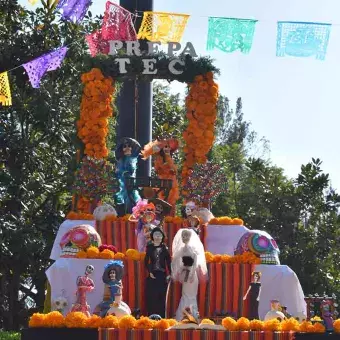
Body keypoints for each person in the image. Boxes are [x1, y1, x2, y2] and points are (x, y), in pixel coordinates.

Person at [171, 228, 208, 321]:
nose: (184, 237)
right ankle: (184, 316)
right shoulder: (182, 250)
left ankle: (191, 316)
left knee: (191, 295)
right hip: (185, 274)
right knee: (185, 294)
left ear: (190, 237)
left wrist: (191, 273)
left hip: (192, 275)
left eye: (187, 236)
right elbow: (176, 260)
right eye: (183, 236)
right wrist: (180, 270)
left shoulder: (193, 250)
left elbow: (195, 263)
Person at [141, 138, 179, 208]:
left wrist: (167, 155)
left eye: (169, 148)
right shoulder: (158, 157)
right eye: (166, 146)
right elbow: (150, 150)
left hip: (171, 184)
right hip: (161, 183)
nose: (167, 148)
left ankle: (169, 217)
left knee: (170, 200)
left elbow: (173, 170)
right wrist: (161, 145)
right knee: (160, 200)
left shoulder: (170, 158)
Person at [144, 227, 171, 318]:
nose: (157, 237)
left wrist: (169, 274)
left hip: (162, 275)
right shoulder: (149, 247)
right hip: (152, 275)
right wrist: (150, 271)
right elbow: (146, 261)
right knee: (152, 295)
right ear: (152, 236)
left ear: (162, 236)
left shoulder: (165, 248)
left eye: (159, 235)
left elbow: (168, 262)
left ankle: (161, 316)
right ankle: (151, 315)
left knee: (161, 296)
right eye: (156, 234)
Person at [115, 137, 141, 215]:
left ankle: (131, 214)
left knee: (132, 198)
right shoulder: (120, 160)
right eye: (124, 146)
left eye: (129, 146)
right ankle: (123, 214)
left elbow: (131, 170)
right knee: (121, 199)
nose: (127, 148)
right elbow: (119, 171)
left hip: (131, 183)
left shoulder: (133, 158)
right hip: (122, 184)